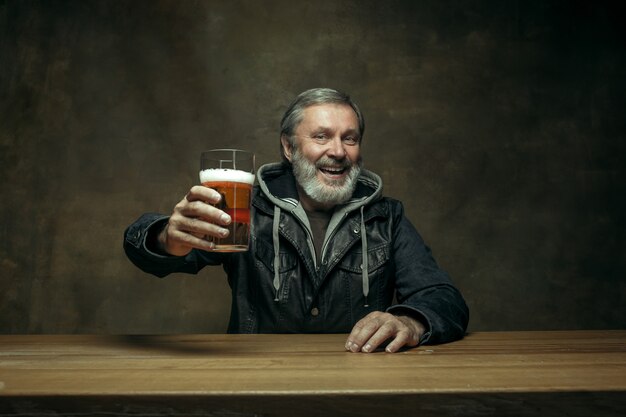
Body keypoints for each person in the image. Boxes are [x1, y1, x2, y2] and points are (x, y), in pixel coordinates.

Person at [124, 88, 469, 353]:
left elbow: (444, 299)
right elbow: (143, 248)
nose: (338, 151)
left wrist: (409, 321)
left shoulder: (386, 217)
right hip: (256, 387)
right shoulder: (247, 211)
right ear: (288, 148)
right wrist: (166, 237)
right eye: (321, 136)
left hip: (360, 390)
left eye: (349, 138)